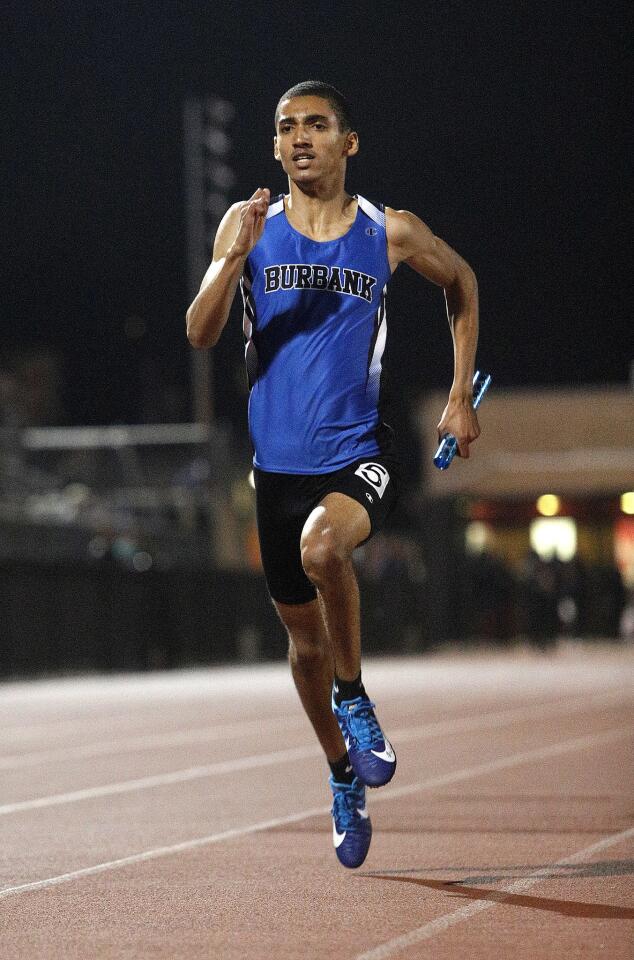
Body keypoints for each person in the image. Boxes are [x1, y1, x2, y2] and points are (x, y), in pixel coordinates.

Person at [186, 80, 480, 868]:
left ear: (349, 143)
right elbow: (200, 330)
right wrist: (232, 258)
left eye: (316, 125)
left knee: (326, 552)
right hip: (274, 468)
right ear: (275, 146)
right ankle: (340, 771)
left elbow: (462, 285)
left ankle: (357, 698)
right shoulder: (248, 225)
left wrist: (458, 396)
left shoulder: (390, 232)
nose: (300, 137)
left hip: (358, 450)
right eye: (287, 127)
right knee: (302, 646)